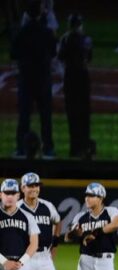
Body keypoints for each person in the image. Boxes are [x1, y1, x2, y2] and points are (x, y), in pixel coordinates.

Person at [11, 1, 56, 159]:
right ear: (39, 13)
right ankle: (48, 149)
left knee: (24, 116)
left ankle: (20, 149)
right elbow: (53, 51)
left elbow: (13, 54)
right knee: (46, 116)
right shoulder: (46, 31)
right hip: (43, 80)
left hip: (26, 80)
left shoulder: (22, 32)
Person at [57, 13, 92, 159]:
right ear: (80, 25)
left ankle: (74, 148)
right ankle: (85, 148)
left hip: (70, 77)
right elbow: (89, 57)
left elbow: (60, 57)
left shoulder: (65, 39)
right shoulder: (87, 39)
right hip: (83, 78)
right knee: (84, 115)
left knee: (72, 115)